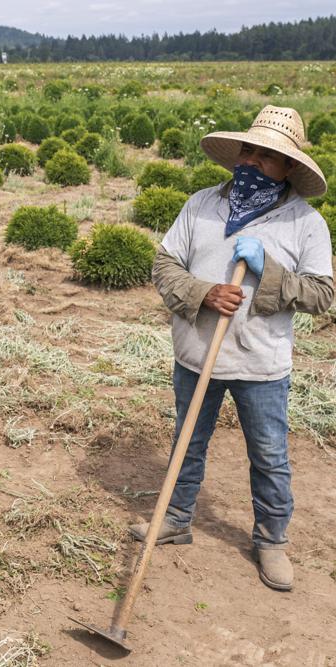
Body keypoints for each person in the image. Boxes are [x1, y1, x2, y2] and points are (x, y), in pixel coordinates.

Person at [133, 105, 334, 591]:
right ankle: (176, 518)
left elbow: (324, 295)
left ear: (289, 167)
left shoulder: (304, 223)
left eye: (267, 156)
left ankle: (271, 541)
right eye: (249, 150)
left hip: (260, 362)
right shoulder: (201, 204)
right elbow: (164, 266)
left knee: (268, 455)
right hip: (197, 353)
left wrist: (270, 270)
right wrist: (204, 293)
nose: (252, 161)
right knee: (187, 441)